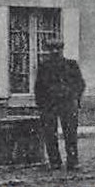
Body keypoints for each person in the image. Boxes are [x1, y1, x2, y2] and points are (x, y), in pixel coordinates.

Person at [33, 36, 84, 171]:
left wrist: (75, 99)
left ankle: (73, 161)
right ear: (48, 51)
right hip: (49, 105)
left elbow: (80, 84)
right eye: (52, 49)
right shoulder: (44, 67)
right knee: (50, 134)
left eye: (58, 49)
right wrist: (41, 105)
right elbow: (38, 87)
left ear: (62, 50)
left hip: (68, 104)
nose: (55, 52)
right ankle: (55, 162)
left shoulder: (71, 65)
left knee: (71, 134)